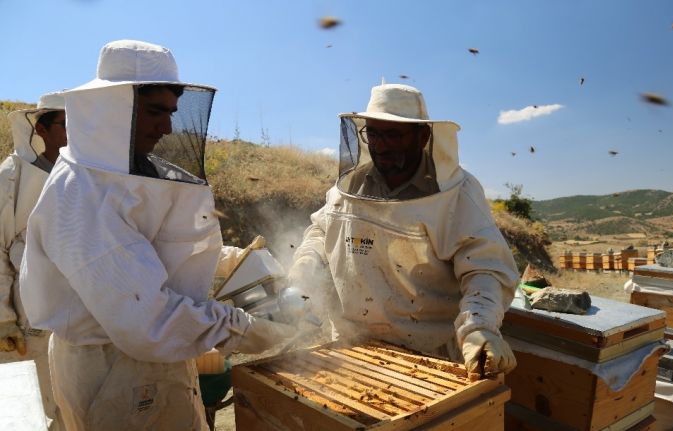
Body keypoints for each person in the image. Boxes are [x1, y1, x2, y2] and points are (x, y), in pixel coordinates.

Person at [20, 40, 295, 431]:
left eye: (170, 113)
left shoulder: (123, 175)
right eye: (154, 112)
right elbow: (148, 320)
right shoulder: (82, 191)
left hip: (149, 359)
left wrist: (232, 258)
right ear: (115, 110)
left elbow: (159, 251)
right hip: (113, 368)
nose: (166, 127)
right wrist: (244, 328)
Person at [289, 83, 520, 380]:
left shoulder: (457, 193)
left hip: (427, 356)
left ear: (423, 136)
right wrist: (306, 264)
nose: (380, 145)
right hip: (352, 346)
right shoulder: (351, 185)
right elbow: (322, 231)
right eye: (373, 133)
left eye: (393, 135)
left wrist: (479, 326)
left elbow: (486, 268)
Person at [1, 92, 67, 430]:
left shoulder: (82, 175)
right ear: (41, 128)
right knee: (36, 413)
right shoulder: (11, 175)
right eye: (65, 124)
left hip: (73, 319)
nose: (74, 133)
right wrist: (4, 320)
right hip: (26, 323)